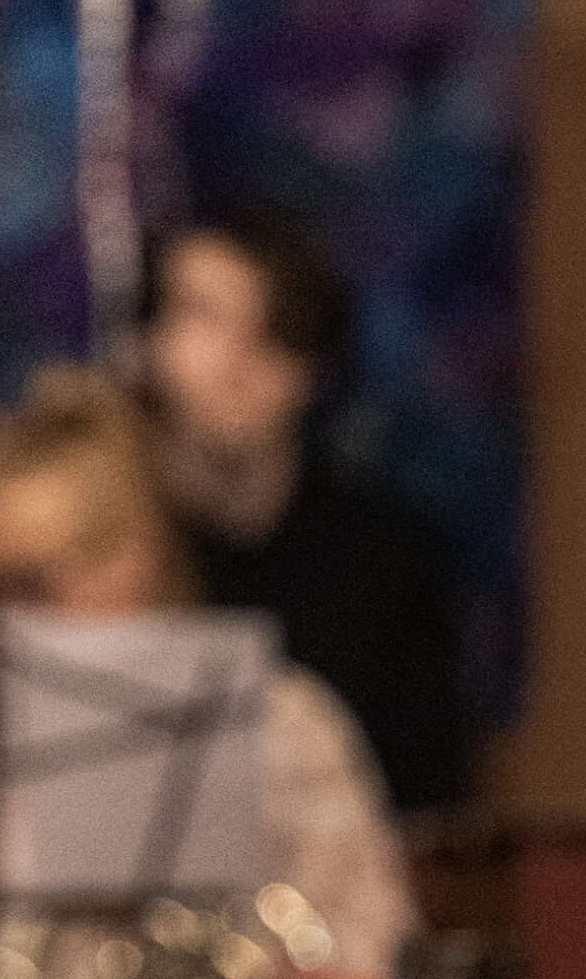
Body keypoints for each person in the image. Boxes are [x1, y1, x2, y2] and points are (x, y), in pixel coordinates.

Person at [0, 365, 417, 979]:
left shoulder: (281, 722)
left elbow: (369, 943)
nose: (5, 624)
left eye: (33, 586)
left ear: (131, 553)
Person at [138, 213, 468, 812]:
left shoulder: (390, 558)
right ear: (146, 343)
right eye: (205, 317)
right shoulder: (102, 551)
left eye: (273, 329)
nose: (238, 357)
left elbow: (422, 801)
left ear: (313, 362)